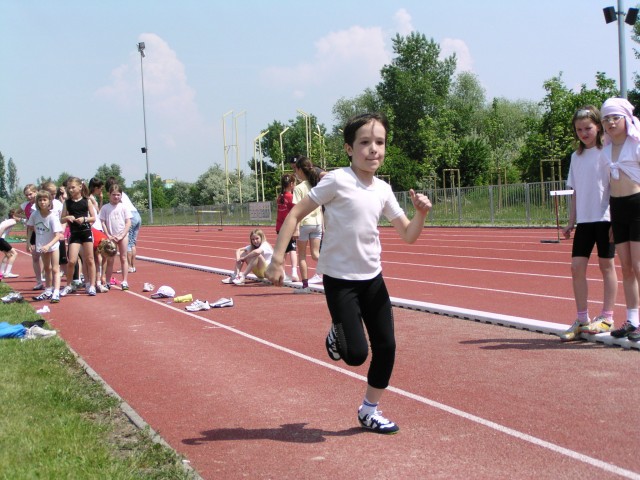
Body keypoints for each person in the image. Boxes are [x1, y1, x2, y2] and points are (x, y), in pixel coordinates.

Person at [266, 113, 432, 434]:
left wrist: (421, 214)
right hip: (340, 280)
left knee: (387, 346)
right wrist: (276, 259)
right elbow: (295, 215)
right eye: (365, 143)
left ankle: (369, 410)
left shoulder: (383, 189)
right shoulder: (337, 181)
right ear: (349, 148)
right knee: (356, 355)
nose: (373, 150)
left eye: (379, 143)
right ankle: (337, 332)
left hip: (372, 279)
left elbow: (409, 235)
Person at [558, 106, 618, 341]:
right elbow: (575, 192)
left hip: (605, 219)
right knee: (576, 267)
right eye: (579, 129)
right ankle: (582, 318)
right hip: (584, 221)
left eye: (588, 128)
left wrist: (617, 220)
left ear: (598, 127)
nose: (584, 133)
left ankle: (607, 317)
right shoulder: (576, 156)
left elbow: (615, 187)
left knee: (607, 267)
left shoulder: (609, 152)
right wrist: (571, 222)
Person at [601, 97, 640, 341]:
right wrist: (611, 219)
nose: (611, 122)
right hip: (618, 208)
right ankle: (632, 321)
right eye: (606, 119)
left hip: (637, 204)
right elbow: (606, 185)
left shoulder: (636, 144)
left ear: (626, 118)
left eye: (615, 117)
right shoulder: (605, 149)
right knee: (626, 267)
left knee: (638, 266)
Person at [60, 177, 97, 296]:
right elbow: (61, 218)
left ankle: (91, 285)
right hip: (74, 234)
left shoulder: (87, 201)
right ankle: (68, 285)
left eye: (73, 187)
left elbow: (93, 217)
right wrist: (67, 218)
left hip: (86, 232)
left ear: (80, 187)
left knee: (90, 259)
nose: (70, 190)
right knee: (71, 261)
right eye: (69, 188)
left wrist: (84, 219)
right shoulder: (67, 203)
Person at [26, 190, 64, 303]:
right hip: (41, 245)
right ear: (37, 202)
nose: (42, 202)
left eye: (45, 200)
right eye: (40, 200)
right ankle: (48, 290)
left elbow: (58, 235)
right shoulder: (35, 214)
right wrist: (28, 242)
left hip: (53, 245)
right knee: (47, 268)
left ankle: (56, 292)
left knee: (55, 268)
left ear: (49, 202)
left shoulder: (52, 217)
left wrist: (49, 245)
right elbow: (30, 228)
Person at [292, 156, 323, 292]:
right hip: (317, 223)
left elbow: (297, 211)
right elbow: (322, 206)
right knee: (316, 254)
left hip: (305, 224)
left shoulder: (299, 188)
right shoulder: (317, 184)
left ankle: (305, 286)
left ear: (299, 170)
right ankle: (333, 273)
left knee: (302, 256)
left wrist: (295, 229)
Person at [99, 183, 132, 291]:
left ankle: (125, 281)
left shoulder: (124, 207)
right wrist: (108, 235)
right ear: (109, 194)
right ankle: (108, 282)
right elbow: (103, 222)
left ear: (121, 195)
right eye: (114, 194)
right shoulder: (105, 208)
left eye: (118, 194)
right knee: (110, 260)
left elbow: (128, 222)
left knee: (123, 257)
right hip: (111, 237)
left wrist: (122, 235)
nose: (116, 197)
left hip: (122, 236)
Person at [106, 177, 141, 273]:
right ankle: (132, 266)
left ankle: (128, 266)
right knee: (132, 243)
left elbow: (118, 208)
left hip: (129, 216)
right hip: (136, 214)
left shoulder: (116, 196)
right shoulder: (122, 193)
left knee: (128, 243)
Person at [16, 184, 44, 289]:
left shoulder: (42, 203)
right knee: (35, 257)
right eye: (27, 195)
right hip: (32, 232)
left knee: (46, 257)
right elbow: (16, 213)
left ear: (36, 192)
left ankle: (50, 281)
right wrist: (26, 218)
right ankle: (39, 281)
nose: (29, 197)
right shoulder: (26, 205)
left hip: (43, 232)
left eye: (31, 194)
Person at [276, 173, 299, 282]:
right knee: (293, 250)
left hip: (280, 226)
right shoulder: (291, 197)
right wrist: (296, 229)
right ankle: (294, 272)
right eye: (294, 183)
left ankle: (283, 272)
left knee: (283, 251)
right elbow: (295, 213)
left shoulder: (280, 197)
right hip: (289, 227)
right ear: (291, 184)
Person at [0, 210, 21, 278]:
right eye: (19, 216)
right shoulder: (13, 221)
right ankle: (7, 272)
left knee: (8, 255)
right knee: (14, 253)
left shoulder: (6, 220)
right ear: (14, 216)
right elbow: (3, 228)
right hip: (1, 239)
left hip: (1, 239)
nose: (20, 218)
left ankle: (2, 272)